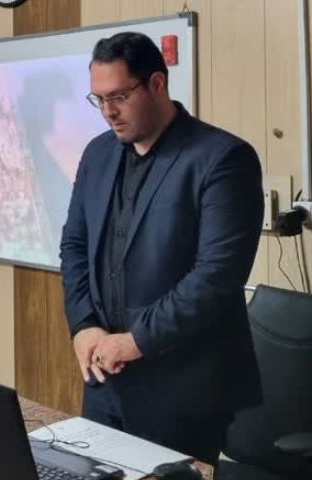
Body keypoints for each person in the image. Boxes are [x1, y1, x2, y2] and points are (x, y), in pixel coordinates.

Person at [59, 32, 264, 466]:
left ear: (157, 84)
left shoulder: (222, 158)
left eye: (119, 96)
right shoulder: (98, 154)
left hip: (184, 389)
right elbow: (75, 245)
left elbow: (216, 277)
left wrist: (136, 340)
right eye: (99, 99)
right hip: (104, 378)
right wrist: (83, 325)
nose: (109, 112)